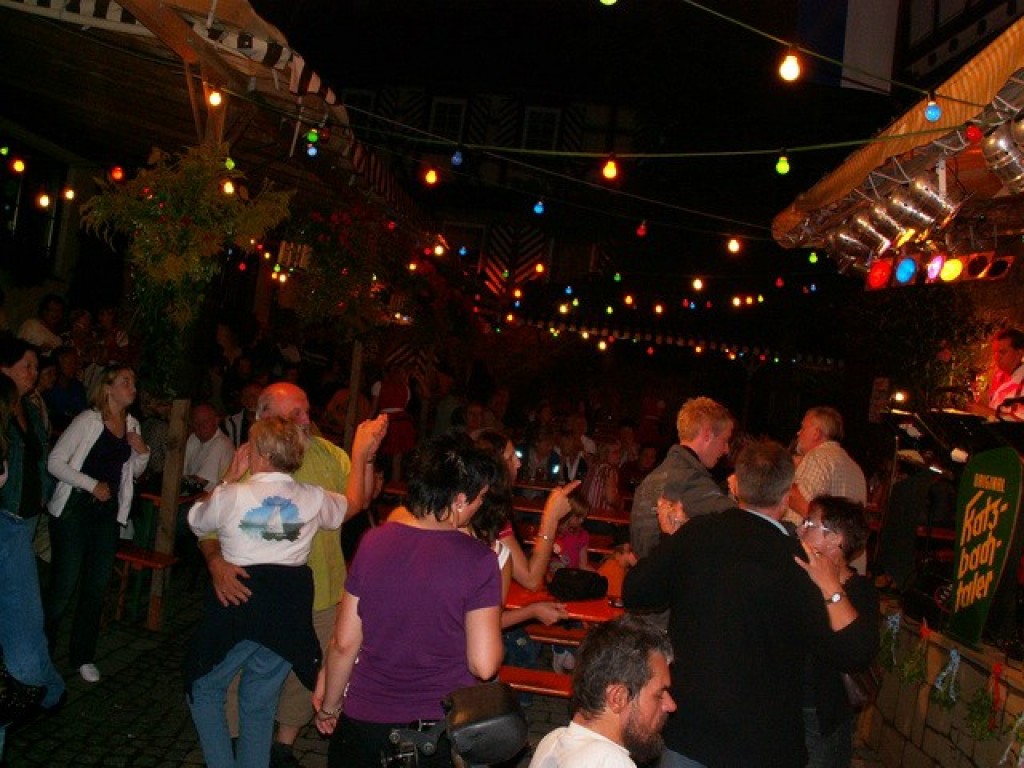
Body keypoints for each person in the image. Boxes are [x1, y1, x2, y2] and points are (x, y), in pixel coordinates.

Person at [622, 438, 877, 768]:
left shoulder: (696, 535)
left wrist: (671, 543)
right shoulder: (800, 563)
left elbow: (637, 592)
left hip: (692, 732)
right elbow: (853, 652)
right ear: (786, 497)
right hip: (764, 744)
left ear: (737, 485)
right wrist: (832, 588)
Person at [199, 382, 385, 768]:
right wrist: (216, 564)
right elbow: (208, 529)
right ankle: (238, 749)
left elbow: (358, 501)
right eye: (294, 413)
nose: (305, 419)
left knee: (297, 680)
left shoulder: (328, 454)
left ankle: (280, 748)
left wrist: (364, 458)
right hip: (249, 595)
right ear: (264, 418)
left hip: (319, 592)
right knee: (242, 683)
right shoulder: (247, 458)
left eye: (306, 410)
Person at [314, 434, 504, 768]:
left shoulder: (373, 542)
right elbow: (484, 665)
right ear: (460, 500)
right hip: (436, 731)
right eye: (480, 497)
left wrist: (330, 706)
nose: (480, 506)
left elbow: (344, 643)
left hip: (366, 723)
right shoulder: (479, 560)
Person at [44, 364, 150, 683]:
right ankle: (41, 653)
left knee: (96, 586)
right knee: (64, 586)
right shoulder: (88, 420)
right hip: (75, 508)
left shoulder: (132, 424)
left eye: (134, 382)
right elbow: (54, 462)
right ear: (107, 388)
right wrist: (91, 485)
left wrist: (142, 451)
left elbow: (134, 471)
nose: (133, 387)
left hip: (107, 513)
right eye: (125, 381)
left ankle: (82, 655)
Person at [0, 342, 65, 760]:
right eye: (26, 365)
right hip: (6, 523)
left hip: (24, 523)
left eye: (36, 366)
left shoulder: (32, 408)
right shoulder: (2, 410)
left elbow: (40, 459)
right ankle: (45, 687)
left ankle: (43, 687)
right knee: (23, 633)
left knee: (24, 622)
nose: (33, 372)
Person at [529, 615, 676, 768]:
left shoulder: (552, 741)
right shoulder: (611, 762)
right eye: (659, 695)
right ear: (618, 698)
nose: (671, 705)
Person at [798, 496, 880, 768]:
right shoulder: (797, 579)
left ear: (835, 540)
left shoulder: (859, 592)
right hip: (783, 709)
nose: (800, 529)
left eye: (809, 524)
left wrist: (831, 589)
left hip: (819, 717)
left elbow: (858, 653)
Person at [630, 397, 735, 560]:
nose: (726, 449)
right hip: (670, 572)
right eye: (725, 440)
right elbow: (741, 525)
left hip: (647, 570)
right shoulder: (690, 480)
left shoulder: (652, 477)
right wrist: (737, 493)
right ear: (707, 435)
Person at [789, 407, 867, 521]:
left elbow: (799, 504)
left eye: (803, 427)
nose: (798, 432)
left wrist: (789, 475)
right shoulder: (855, 468)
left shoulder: (817, 457)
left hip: (810, 532)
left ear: (816, 433)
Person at [969, 327, 1024, 420]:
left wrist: (988, 412)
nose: (997, 357)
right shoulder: (998, 377)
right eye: (995, 352)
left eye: (1002, 352)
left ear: (1019, 353)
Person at [183, 402, 235, 492]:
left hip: (210, 497)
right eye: (196, 422)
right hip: (191, 495)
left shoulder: (221, 443)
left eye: (205, 421)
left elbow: (200, 482)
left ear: (216, 421)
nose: (200, 426)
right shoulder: (193, 438)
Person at [223, 382, 260, 448]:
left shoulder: (272, 421)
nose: (250, 399)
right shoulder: (231, 422)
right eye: (245, 396)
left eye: (254, 396)